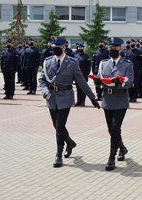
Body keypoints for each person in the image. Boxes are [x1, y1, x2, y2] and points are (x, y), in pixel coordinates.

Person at [39, 36, 100, 168]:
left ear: (64, 47)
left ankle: (58, 155)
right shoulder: (48, 61)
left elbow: (81, 81)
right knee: (56, 126)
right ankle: (70, 142)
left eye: (57, 47)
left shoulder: (72, 62)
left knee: (60, 126)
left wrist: (92, 98)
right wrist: (44, 92)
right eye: (53, 47)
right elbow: (42, 80)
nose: (54, 50)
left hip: (65, 97)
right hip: (51, 97)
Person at [93, 37, 134, 171]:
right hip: (107, 98)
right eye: (110, 49)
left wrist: (119, 82)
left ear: (120, 50)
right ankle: (122, 148)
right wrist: (97, 81)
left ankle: (111, 157)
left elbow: (129, 82)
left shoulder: (127, 64)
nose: (112, 51)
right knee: (111, 129)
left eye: (115, 49)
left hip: (120, 99)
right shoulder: (103, 63)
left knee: (115, 128)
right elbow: (99, 77)